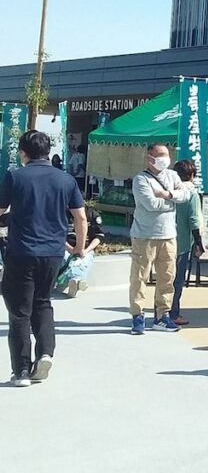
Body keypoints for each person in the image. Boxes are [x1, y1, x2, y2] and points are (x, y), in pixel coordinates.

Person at [0, 131, 87, 387]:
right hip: (52, 253)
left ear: (23, 152)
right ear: (48, 151)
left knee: (19, 312)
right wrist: (79, 248)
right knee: (43, 302)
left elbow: (1, 210)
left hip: (21, 251)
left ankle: (22, 371)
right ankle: (46, 353)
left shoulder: (15, 176)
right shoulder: (65, 179)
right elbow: (80, 218)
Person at [130, 143, 190, 334]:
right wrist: (172, 201)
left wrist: (168, 194)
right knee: (140, 277)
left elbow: (186, 194)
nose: (165, 158)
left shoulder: (172, 175)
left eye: (166, 154)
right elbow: (150, 204)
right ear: (149, 157)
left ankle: (162, 315)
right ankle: (137, 316)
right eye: (160, 155)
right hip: (144, 235)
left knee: (167, 277)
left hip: (169, 234)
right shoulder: (141, 179)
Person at [169, 160, 204, 326]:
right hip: (181, 242)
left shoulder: (169, 191)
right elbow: (193, 220)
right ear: (192, 175)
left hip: (164, 239)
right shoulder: (191, 193)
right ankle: (174, 313)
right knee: (177, 281)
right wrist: (199, 243)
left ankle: (160, 312)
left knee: (164, 279)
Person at [57, 206, 105, 297]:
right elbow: (57, 235)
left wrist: (85, 250)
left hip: (86, 249)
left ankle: (75, 281)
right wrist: (70, 249)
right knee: (64, 258)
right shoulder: (62, 213)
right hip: (66, 246)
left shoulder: (92, 214)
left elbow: (98, 237)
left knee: (82, 261)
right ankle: (77, 281)